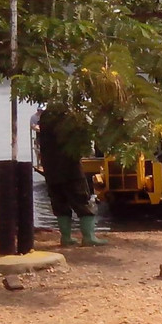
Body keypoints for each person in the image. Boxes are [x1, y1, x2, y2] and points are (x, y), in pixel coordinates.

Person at [37, 104, 108, 246]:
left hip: (51, 169)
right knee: (83, 201)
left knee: (59, 202)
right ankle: (88, 237)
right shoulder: (70, 119)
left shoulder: (45, 120)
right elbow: (82, 139)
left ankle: (66, 237)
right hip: (70, 169)